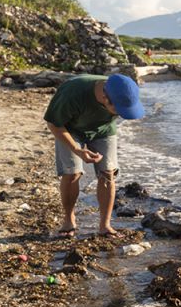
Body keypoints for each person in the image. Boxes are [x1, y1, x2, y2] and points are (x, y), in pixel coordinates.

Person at [44, 73, 145, 238]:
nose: (119, 114)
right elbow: (54, 123)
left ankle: (105, 225)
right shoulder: (73, 93)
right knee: (72, 172)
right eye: (117, 110)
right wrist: (77, 149)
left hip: (103, 130)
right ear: (105, 97)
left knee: (108, 173)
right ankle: (69, 218)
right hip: (71, 129)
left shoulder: (121, 91)